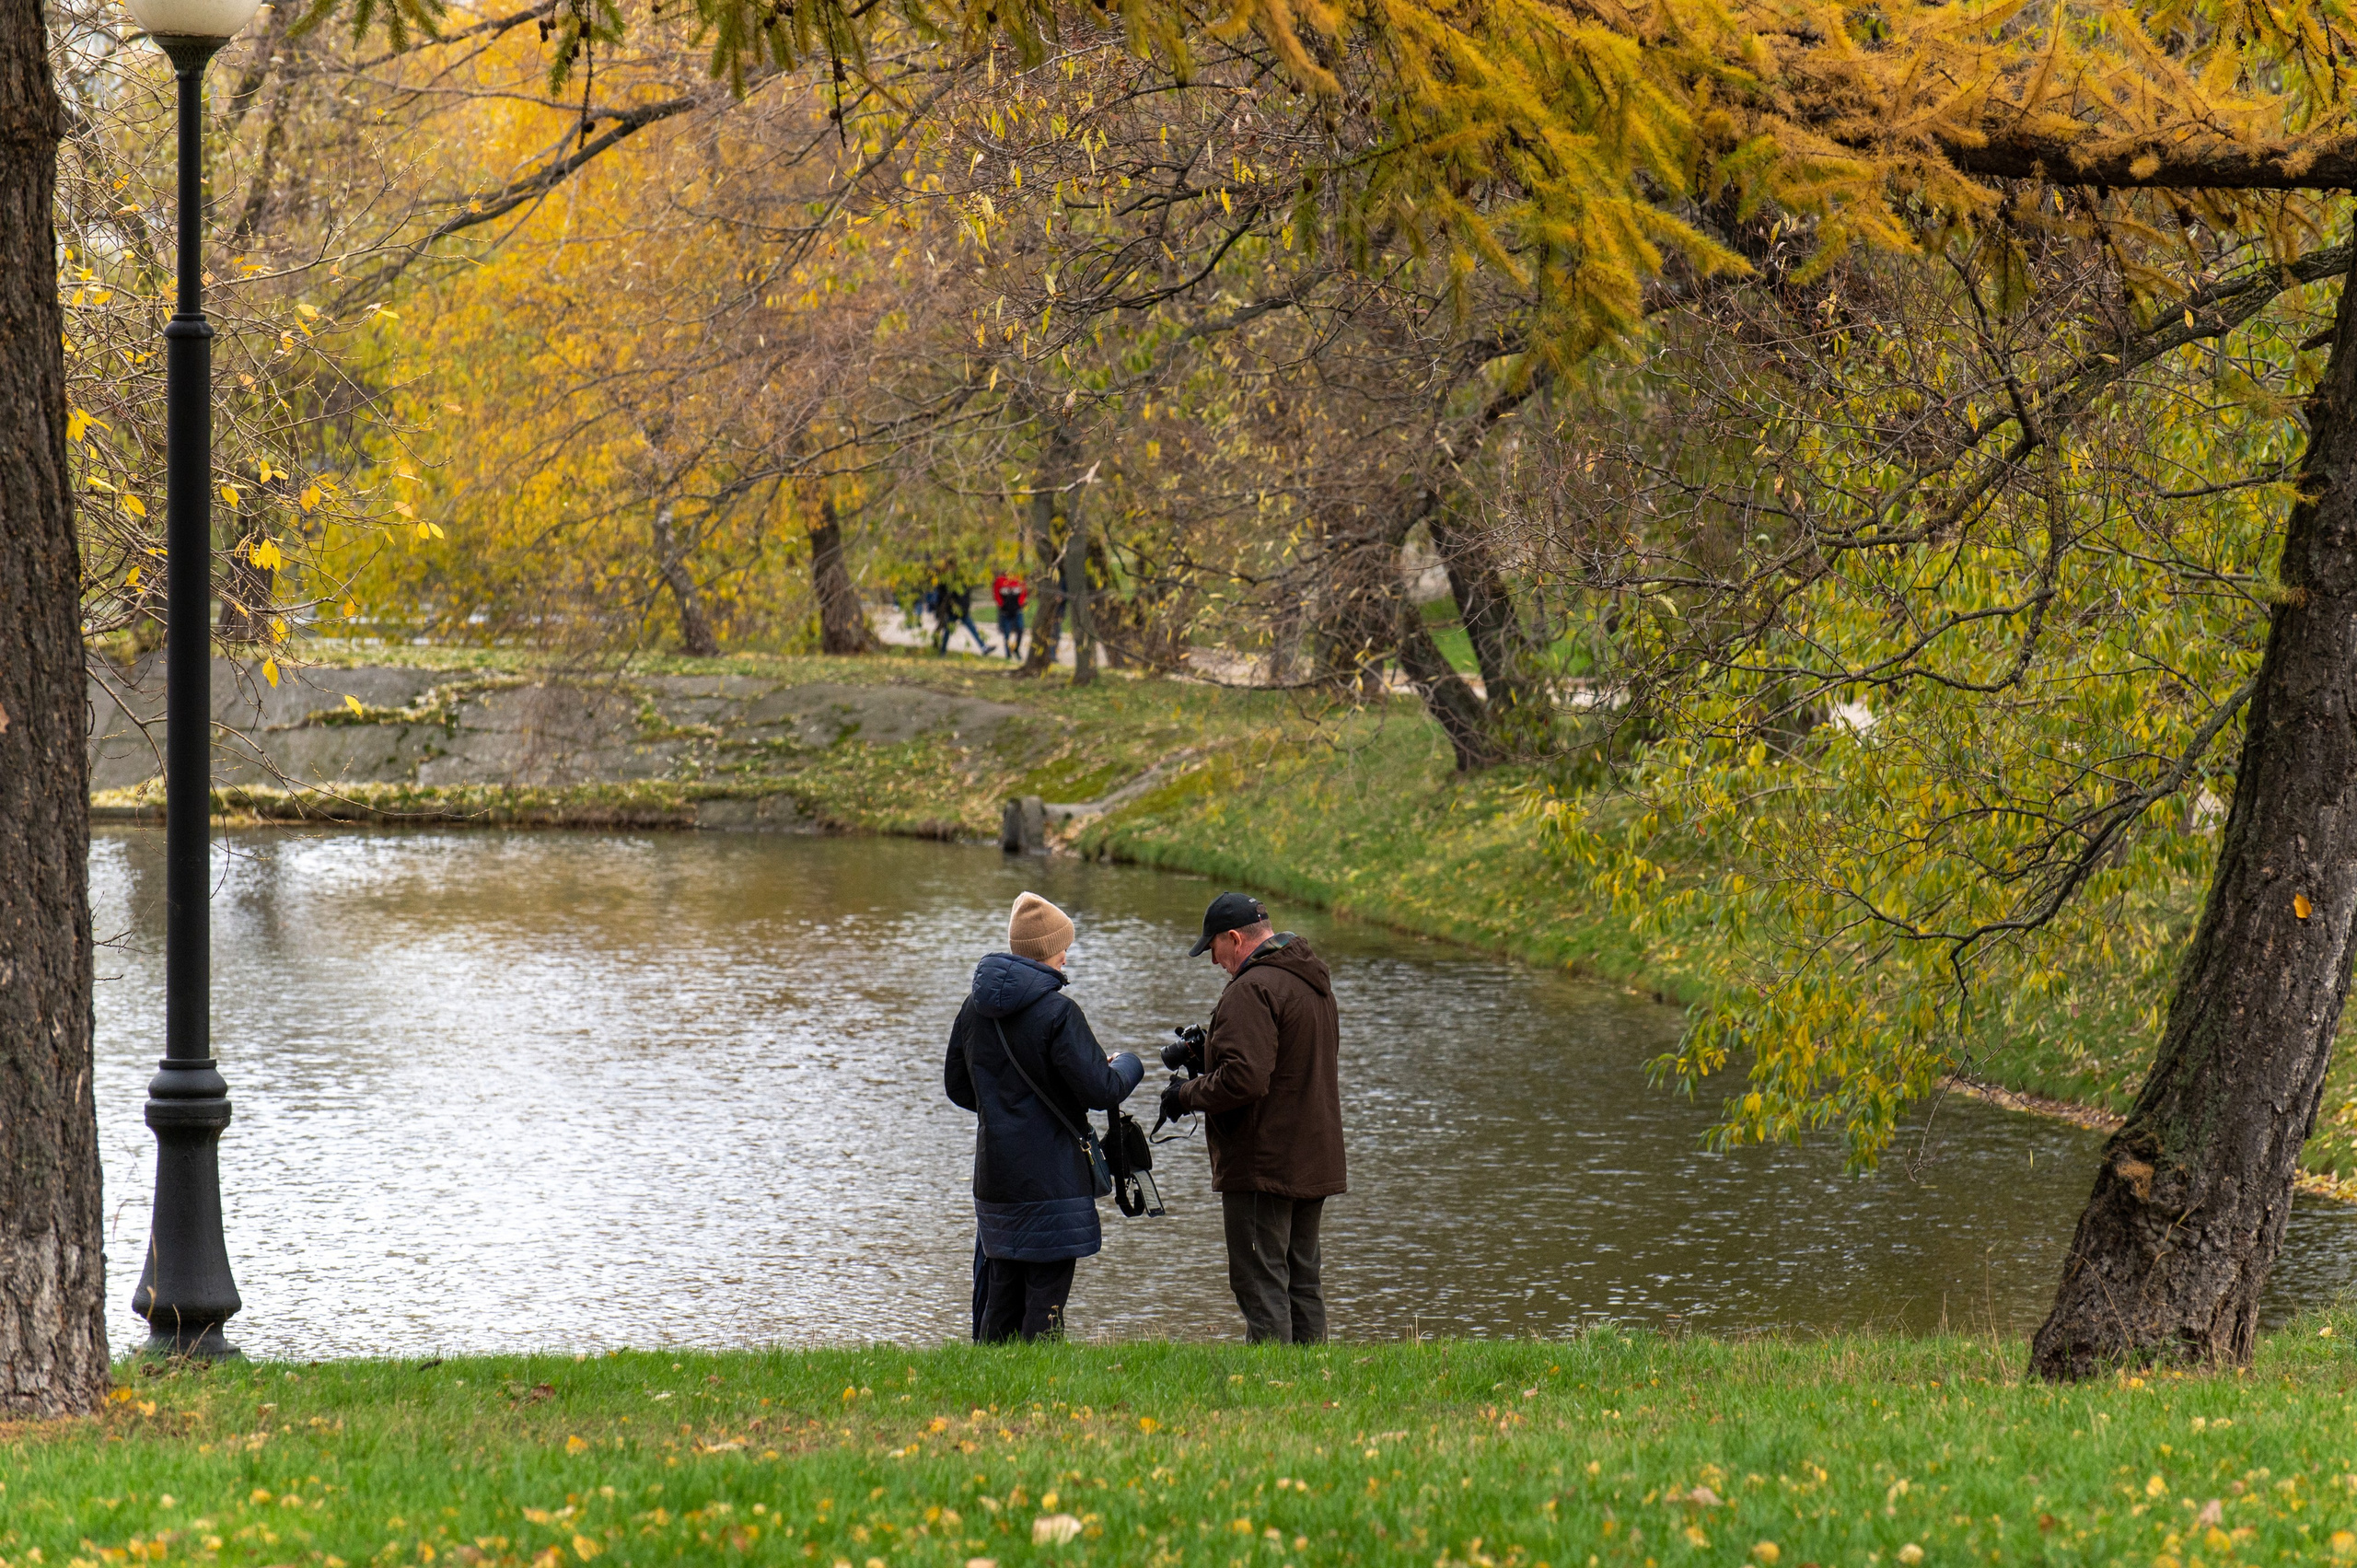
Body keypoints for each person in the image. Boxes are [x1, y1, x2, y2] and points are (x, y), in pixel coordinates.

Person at [946, 891, 1144, 1341]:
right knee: (1046, 1303)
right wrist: (1130, 1062)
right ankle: (1040, 1394)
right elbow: (1102, 1089)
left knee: (1000, 1297)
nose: (1067, 953)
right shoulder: (1058, 1012)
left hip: (996, 1177)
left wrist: (1005, 1110)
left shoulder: (974, 1008)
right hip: (1053, 1179)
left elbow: (957, 1087)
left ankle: (990, 1389)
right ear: (1052, 950)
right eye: (1064, 945)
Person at [1160, 891, 1345, 1343]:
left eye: (1213, 949)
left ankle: (1272, 1391)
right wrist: (1208, 1052)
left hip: (1265, 1164)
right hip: (1312, 1155)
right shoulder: (1311, 981)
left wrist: (1184, 1095)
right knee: (1302, 1279)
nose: (1212, 961)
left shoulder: (1251, 988)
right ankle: (1314, 1385)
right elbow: (1285, 1066)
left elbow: (1245, 1080)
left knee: (1260, 1282)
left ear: (1235, 938)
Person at [933, 575, 989, 656]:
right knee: (948, 631)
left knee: (972, 628)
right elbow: (943, 594)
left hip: (962, 610)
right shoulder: (950, 581)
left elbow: (966, 596)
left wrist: (965, 607)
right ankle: (943, 650)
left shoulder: (964, 580)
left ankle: (983, 647)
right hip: (953, 610)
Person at [993, 571, 1028, 660]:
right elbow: (996, 594)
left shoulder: (1019, 579)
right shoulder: (1000, 580)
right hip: (1005, 611)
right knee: (1007, 632)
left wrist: (1020, 603)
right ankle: (1008, 654)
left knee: (1020, 629)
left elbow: (1024, 593)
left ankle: (1016, 649)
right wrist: (1002, 604)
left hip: (1017, 610)